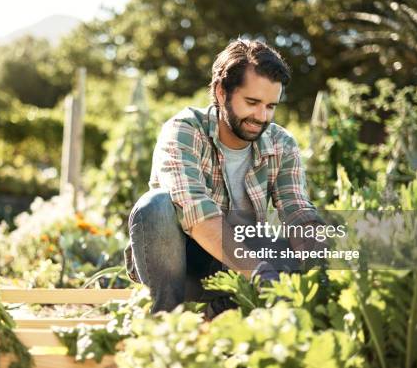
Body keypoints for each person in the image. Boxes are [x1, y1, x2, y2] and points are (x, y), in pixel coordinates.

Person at [124, 38, 324, 316]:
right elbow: (197, 215)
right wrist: (258, 271)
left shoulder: (281, 143)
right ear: (221, 92)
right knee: (154, 206)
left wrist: (322, 263)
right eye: (252, 102)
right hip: (185, 269)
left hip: (240, 269)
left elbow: (298, 210)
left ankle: (224, 310)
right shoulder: (184, 130)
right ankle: (166, 319)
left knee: (299, 241)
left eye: (270, 106)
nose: (261, 116)